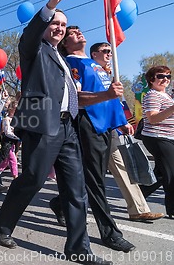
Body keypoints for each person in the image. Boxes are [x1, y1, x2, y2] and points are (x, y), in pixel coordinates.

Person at [0, 0, 111, 265]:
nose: (58, 28)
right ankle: (4, 223)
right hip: (43, 125)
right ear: (46, 26)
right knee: (32, 178)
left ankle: (79, 248)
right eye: (54, 23)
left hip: (68, 127)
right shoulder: (34, 50)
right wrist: (52, 3)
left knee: (75, 188)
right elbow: (30, 35)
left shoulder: (60, 57)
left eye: (63, 25)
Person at [54, 32, 136, 253]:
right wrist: (107, 95)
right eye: (72, 33)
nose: (79, 33)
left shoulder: (94, 63)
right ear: (66, 43)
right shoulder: (69, 63)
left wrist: (120, 121)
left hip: (106, 125)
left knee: (95, 177)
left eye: (78, 30)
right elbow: (76, 98)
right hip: (88, 123)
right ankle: (110, 233)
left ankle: (59, 203)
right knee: (95, 181)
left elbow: (111, 95)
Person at [89, 42, 163, 222]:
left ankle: (138, 209)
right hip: (92, 130)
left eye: (110, 51)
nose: (109, 54)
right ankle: (61, 203)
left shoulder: (110, 75)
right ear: (93, 54)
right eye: (105, 51)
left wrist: (122, 122)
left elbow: (115, 103)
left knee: (122, 168)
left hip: (111, 130)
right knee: (90, 173)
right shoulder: (89, 72)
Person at [139, 65, 174, 219]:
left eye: (168, 76)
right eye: (160, 76)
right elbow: (152, 118)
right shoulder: (152, 95)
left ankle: (136, 198)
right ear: (151, 79)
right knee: (171, 173)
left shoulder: (166, 96)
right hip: (157, 137)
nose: (165, 79)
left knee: (160, 174)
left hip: (168, 137)